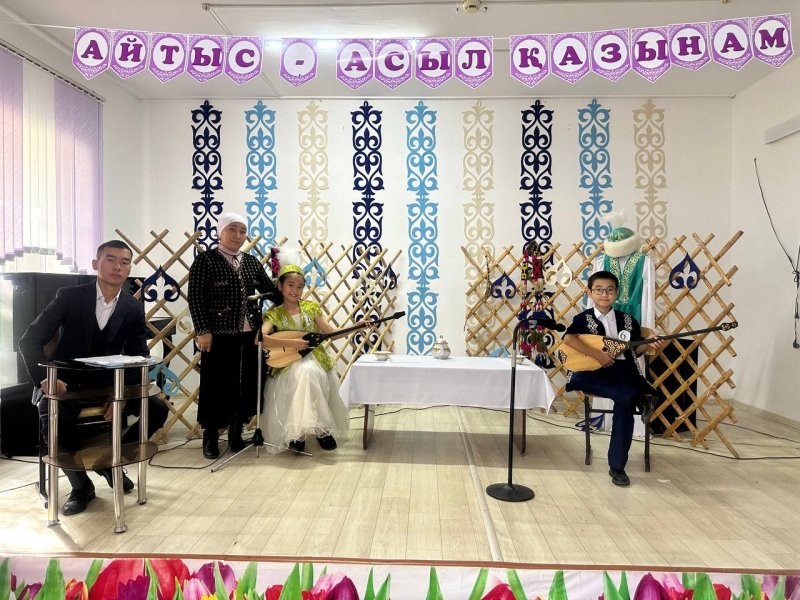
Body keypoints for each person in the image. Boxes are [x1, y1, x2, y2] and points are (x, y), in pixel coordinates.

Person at [19, 240, 169, 515]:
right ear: (95, 264)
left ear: (129, 269)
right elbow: (29, 340)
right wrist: (44, 378)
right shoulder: (69, 296)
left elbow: (138, 355)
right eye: (110, 259)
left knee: (158, 408)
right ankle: (81, 486)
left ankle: (109, 461)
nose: (118, 266)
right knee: (52, 416)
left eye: (124, 262)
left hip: (107, 385)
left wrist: (121, 394)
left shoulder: (132, 307)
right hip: (63, 383)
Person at [187, 212, 278, 459]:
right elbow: (196, 297)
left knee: (246, 383)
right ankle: (211, 435)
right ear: (221, 232)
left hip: (250, 335)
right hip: (218, 334)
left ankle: (236, 432)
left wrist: (283, 275)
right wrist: (202, 330)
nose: (238, 235)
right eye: (232, 229)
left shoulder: (251, 262)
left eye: (242, 231)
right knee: (216, 384)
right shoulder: (206, 260)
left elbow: (270, 291)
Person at [562, 271, 663, 487]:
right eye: (598, 290)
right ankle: (638, 398)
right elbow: (568, 339)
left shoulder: (628, 320)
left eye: (609, 290)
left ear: (616, 293)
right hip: (594, 371)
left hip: (622, 371)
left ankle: (617, 467)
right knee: (576, 379)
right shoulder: (583, 319)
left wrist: (648, 345)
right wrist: (598, 355)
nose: (604, 294)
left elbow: (635, 350)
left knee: (624, 405)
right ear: (590, 293)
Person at [260, 248, 357, 453]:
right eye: (290, 285)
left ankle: (300, 435)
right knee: (306, 373)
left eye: (300, 286)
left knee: (309, 371)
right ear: (280, 286)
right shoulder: (274, 314)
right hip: (287, 361)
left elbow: (331, 333)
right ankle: (320, 431)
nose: (295, 290)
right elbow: (261, 338)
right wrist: (293, 343)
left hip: (314, 357)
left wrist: (357, 326)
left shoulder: (311, 309)